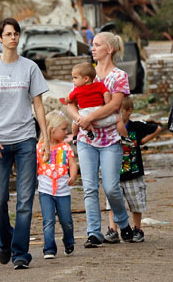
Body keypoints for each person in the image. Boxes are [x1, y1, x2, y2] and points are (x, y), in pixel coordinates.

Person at [0, 17, 50, 270]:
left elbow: (38, 104)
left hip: (26, 139)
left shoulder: (30, 67)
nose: (13, 37)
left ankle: (20, 253)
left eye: (16, 33)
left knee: (25, 200)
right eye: (8, 34)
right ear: (1, 39)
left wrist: (45, 138)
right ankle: (4, 242)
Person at [67, 31, 133, 248]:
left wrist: (89, 118)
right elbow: (70, 102)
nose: (92, 48)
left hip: (111, 139)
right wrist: (79, 119)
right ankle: (94, 233)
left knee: (112, 187)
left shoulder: (119, 76)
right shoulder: (85, 74)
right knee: (89, 188)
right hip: (87, 140)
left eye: (96, 45)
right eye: (92, 45)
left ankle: (123, 223)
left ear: (109, 49)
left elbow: (115, 105)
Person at [104, 97, 161, 244]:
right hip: (114, 173)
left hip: (133, 173)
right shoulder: (109, 128)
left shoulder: (136, 126)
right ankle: (113, 230)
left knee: (136, 203)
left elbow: (157, 128)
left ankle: (137, 229)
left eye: (119, 111)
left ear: (129, 111)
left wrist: (143, 141)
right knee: (112, 203)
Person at [36, 111, 78, 259]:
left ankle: (69, 242)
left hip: (63, 191)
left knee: (66, 221)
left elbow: (73, 164)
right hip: (45, 191)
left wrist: (72, 175)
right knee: (49, 221)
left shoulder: (65, 147)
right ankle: (49, 248)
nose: (66, 132)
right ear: (52, 129)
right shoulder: (39, 148)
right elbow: (34, 166)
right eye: (64, 129)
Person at [67, 62, 126, 138]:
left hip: (84, 115)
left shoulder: (77, 90)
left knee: (75, 122)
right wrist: (107, 103)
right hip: (99, 114)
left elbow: (69, 100)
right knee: (118, 119)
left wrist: (67, 98)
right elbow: (106, 93)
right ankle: (124, 137)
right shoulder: (99, 85)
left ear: (86, 79)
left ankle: (75, 137)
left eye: (75, 78)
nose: (73, 80)